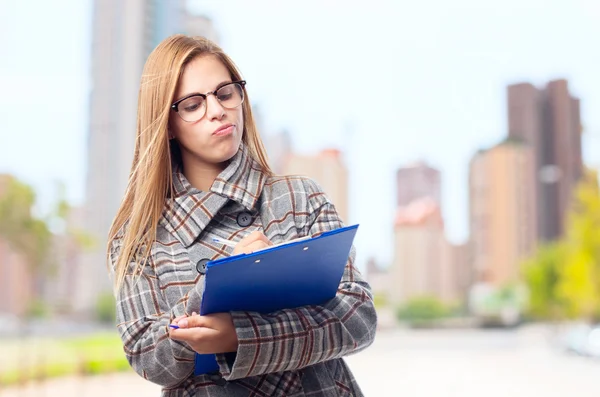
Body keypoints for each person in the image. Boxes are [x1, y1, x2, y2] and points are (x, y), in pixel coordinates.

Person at [107, 34, 377, 397]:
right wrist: (210, 291)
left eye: (224, 93)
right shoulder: (138, 237)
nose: (217, 110)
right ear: (167, 125)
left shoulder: (300, 197)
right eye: (192, 105)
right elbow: (149, 358)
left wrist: (239, 335)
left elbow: (358, 318)